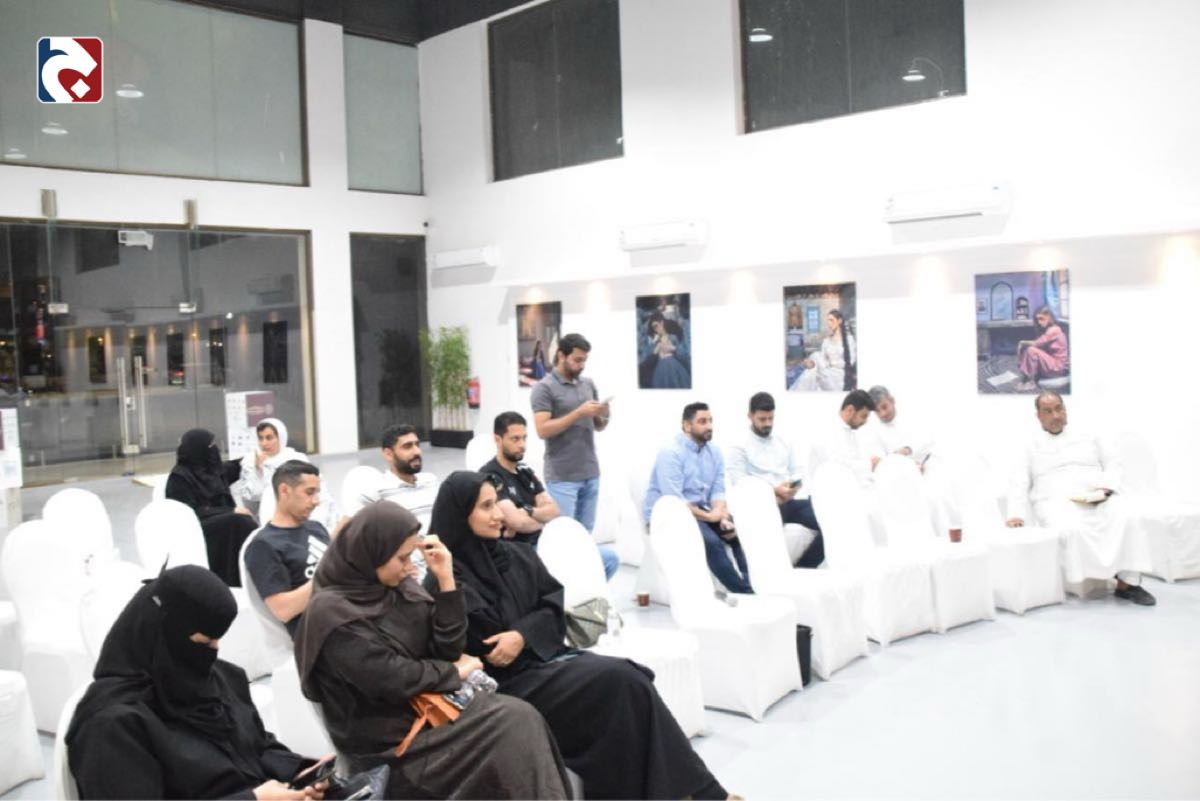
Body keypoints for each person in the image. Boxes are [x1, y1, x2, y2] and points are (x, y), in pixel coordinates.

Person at [426, 472, 732, 800]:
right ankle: (705, 794)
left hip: (547, 663)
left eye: (496, 504)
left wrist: (522, 635)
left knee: (628, 686)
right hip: (507, 685)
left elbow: (552, 606)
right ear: (460, 514)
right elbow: (484, 640)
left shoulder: (517, 556)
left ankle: (699, 794)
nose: (499, 514)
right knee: (622, 680)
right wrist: (518, 632)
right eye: (486, 507)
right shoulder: (445, 579)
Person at [294, 502, 569, 800]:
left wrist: (446, 581)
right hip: (390, 743)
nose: (408, 566)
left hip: (428, 712)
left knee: (520, 719)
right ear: (372, 554)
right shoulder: (332, 614)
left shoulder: (396, 587)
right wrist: (453, 672)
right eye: (401, 558)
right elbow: (391, 678)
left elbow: (448, 648)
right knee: (512, 724)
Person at [66, 565, 331, 800]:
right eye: (204, 642)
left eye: (216, 640)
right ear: (165, 634)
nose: (214, 651)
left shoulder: (220, 678)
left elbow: (256, 746)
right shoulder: (112, 725)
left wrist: (299, 772)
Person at [1005, 391, 1156, 605]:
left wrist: (1106, 488)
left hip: (1096, 495)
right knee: (1071, 528)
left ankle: (1127, 585)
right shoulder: (1029, 445)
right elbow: (1018, 482)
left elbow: (1113, 463)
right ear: (1038, 416)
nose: (1055, 415)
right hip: (1054, 501)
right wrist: (1015, 515)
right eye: (1048, 411)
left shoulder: (1089, 434)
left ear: (1065, 409)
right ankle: (1081, 581)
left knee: (1128, 518)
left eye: (1059, 408)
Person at [478, 411, 620, 579]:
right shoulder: (490, 475)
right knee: (568, 569)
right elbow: (516, 521)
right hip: (522, 551)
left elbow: (554, 511)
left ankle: (578, 595)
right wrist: (541, 519)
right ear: (498, 440)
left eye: (524, 438)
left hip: (546, 541)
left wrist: (529, 511)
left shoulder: (525, 471)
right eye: (515, 439)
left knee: (608, 558)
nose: (522, 445)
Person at [644, 402, 752, 594]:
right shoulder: (671, 453)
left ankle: (752, 584)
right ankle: (744, 593)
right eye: (702, 422)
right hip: (668, 515)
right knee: (711, 542)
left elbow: (718, 490)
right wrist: (711, 517)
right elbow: (674, 501)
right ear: (687, 426)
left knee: (740, 531)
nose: (709, 426)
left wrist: (721, 514)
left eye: (710, 421)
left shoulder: (714, 452)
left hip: (700, 511)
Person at [726, 392, 825, 568]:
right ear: (750, 416)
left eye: (771, 418)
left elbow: (798, 472)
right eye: (762, 419)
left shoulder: (783, 440)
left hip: (788, 501)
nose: (767, 424)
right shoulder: (739, 446)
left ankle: (802, 569)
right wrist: (773, 491)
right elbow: (741, 484)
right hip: (760, 505)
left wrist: (793, 487)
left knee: (829, 521)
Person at [531, 332, 610, 534]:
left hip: (590, 472)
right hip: (562, 476)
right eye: (577, 360)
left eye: (584, 360)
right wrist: (578, 413)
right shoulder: (544, 388)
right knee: (564, 534)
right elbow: (542, 430)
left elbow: (599, 426)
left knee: (586, 533)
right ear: (561, 356)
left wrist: (603, 413)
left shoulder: (588, 384)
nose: (581, 365)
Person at [243, 460, 332, 638]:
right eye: (309, 492)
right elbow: (283, 610)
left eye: (317, 492)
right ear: (284, 490)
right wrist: (330, 575)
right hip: (319, 634)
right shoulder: (264, 545)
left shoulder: (316, 528)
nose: (316, 501)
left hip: (347, 614)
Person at [166, 428, 258, 586]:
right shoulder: (179, 477)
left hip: (224, 520)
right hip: (199, 527)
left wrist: (255, 458)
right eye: (211, 446)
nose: (215, 449)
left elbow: (235, 466)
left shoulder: (212, 470)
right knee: (240, 522)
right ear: (198, 449)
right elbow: (188, 512)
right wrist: (230, 510)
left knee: (239, 521)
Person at [352, 424, 439, 531]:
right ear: (388, 454)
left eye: (417, 445)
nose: (417, 451)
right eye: (407, 446)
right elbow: (352, 530)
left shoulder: (431, 480)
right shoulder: (376, 491)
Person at [808, 389, 878, 489]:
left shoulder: (850, 432)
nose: (865, 422)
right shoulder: (826, 430)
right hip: (827, 491)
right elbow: (835, 467)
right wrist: (869, 465)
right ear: (850, 410)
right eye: (863, 416)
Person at [231, 418, 304, 509]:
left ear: (280, 438)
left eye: (269, 438)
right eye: (260, 438)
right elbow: (251, 496)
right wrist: (258, 470)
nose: (264, 443)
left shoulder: (296, 459)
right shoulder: (250, 460)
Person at [792, 309, 856, 392]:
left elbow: (851, 361)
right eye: (828, 321)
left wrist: (831, 364)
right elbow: (822, 359)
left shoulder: (849, 339)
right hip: (826, 374)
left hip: (840, 377)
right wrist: (813, 363)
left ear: (839, 321)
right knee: (812, 368)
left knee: (816, 356)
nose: (829, 323)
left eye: (831, 320)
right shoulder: (826, 341)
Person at [1016, 306, 1069, 391]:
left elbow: (1037, 343)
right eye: (1037, 320)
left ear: (1049, 317)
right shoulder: (1048, 329)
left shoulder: (1054, 330)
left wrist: (1022, 342)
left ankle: (1031, 381)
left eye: (1041, 319)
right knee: (1028, 349)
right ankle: (1026, 378)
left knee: (1031, 350)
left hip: (1058, 367)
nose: (1039, 322)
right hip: (1052, 363)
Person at [638, 312, 691, 389]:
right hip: (660, 372)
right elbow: (644, 363)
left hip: (675, 369)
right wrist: (654, 350)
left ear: (662, 323)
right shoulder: (653, 344)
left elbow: (685, 356)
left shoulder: (674, 338)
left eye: (657, 325)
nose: (656, 329)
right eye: (654, 327)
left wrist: (673, 348)